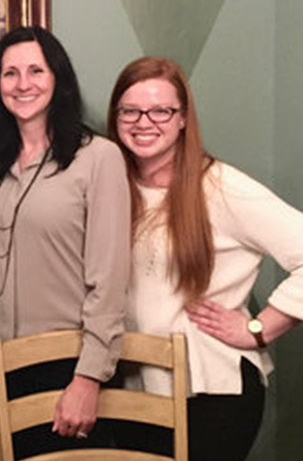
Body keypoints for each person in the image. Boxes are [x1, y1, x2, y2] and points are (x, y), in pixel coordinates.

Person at [107, 56, 303, 461]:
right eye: (130, 110)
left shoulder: (220, 186)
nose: (145, 121)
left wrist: (258, 328)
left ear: (183, 119)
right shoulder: (111, 186)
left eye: (161, 110)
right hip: (132, 390)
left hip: (211, 392)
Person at [0, 26, 131, 459]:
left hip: (63, 363)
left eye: (36, 70)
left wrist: (89, 377)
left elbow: (109, 280)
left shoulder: (98, 158)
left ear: (58, 79)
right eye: (10, 73)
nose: (23, 84)